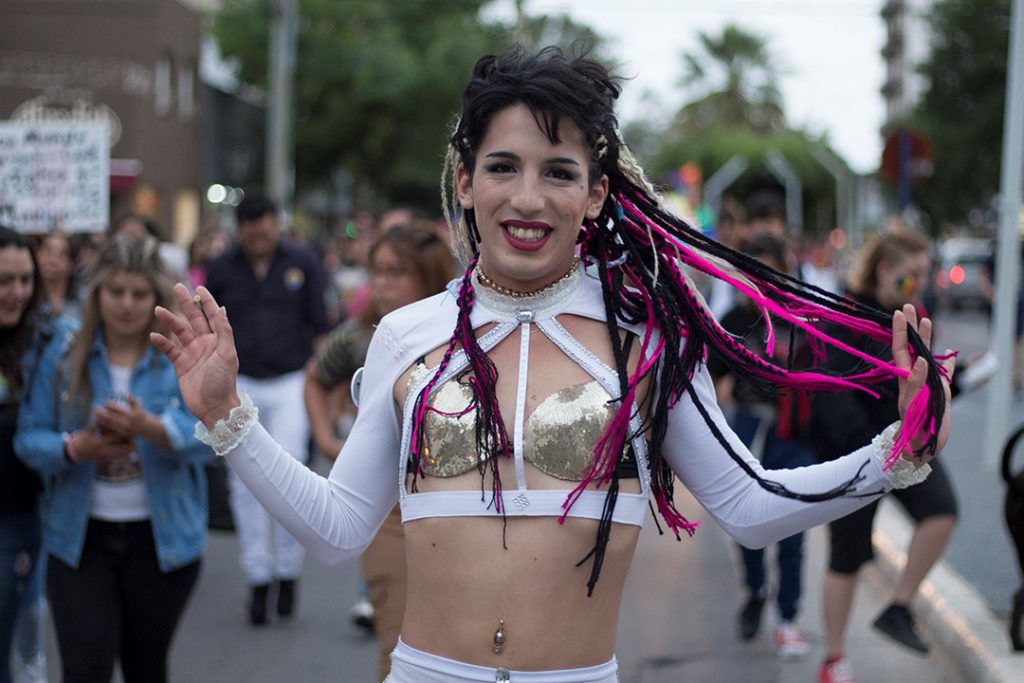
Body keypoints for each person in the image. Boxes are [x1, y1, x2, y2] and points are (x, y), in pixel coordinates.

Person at [152, 45, 954, 683]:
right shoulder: (406, 334)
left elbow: (746, 502)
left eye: (559, 172)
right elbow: (336, 531)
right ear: (465, 182)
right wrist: (227, 417)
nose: (527, 198)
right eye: (502, 167)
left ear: (598, 194)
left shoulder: (650, 339)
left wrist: (896, 455)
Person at [14, 234, 209, 683]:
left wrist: (153, 430)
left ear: (156, 297)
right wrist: (75, 447)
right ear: (96, 294)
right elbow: (29, 438)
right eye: (115, 292)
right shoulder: (64, 355)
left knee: (146, 667)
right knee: (85, 669)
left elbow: (218, 438)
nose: (126, 304)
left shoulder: (179, 356)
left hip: (162, 543)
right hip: (80, 542)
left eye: (139, 294)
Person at [808, 227, 959, 683]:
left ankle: (899, 605)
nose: (919, 281)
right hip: (856, 452)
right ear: (882, 270)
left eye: (923, 272)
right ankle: (833, 657)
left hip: (906, 444)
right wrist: (874, 451)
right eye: (909, 274)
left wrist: (954, 383)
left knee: (942, 511)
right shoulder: (847, 316)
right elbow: (831, 395)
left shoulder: (915, 315)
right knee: (847, 556)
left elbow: (923, 384)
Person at [305, 224, 454, 682]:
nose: (383, 283)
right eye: (379, 272)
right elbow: (315, 378)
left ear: (427, 277)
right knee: (398, 650)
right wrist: (328, 441)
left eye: (397, 273)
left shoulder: (460, 332)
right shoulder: (360, 335)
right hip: (388, 516)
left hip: (454, 512)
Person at [204, 191, 330, 625]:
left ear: (276, 225)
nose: (259, 238)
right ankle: (257, 575)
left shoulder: (303, 262)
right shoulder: (221, 269)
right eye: (250, 231)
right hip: (242, 384)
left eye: (265, 229)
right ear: (240, 230)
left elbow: (320, 327)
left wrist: (322, 390)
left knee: (290, 471)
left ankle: (288, 571)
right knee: (245, 482)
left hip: (292, 379)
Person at [707, 234, 815, 659]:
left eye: (771, 274)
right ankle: (755, 590)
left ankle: (788, 619)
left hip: (792, 434)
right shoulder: (734, 319)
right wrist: (723, 386)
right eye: (753, 275)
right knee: (747, 524)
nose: (762, 284)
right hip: (747, 428)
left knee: (793, 528)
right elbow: (709, 373)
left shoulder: (803, 318)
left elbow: (821, 372)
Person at [0, 226, 45, 683]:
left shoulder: (43, 343)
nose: (17, 292)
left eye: (25, 280)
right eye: (4, 281)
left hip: (13, 519)